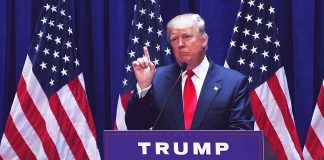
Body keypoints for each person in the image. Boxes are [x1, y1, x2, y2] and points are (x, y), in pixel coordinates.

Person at [125, 13, 254, 130]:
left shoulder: (233, 83)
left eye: (186, 36)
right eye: (174, 39)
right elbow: (135, 126)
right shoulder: (156, 78)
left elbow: (241, 135)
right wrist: (144, 86)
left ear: (204, 40)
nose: (180, 44)